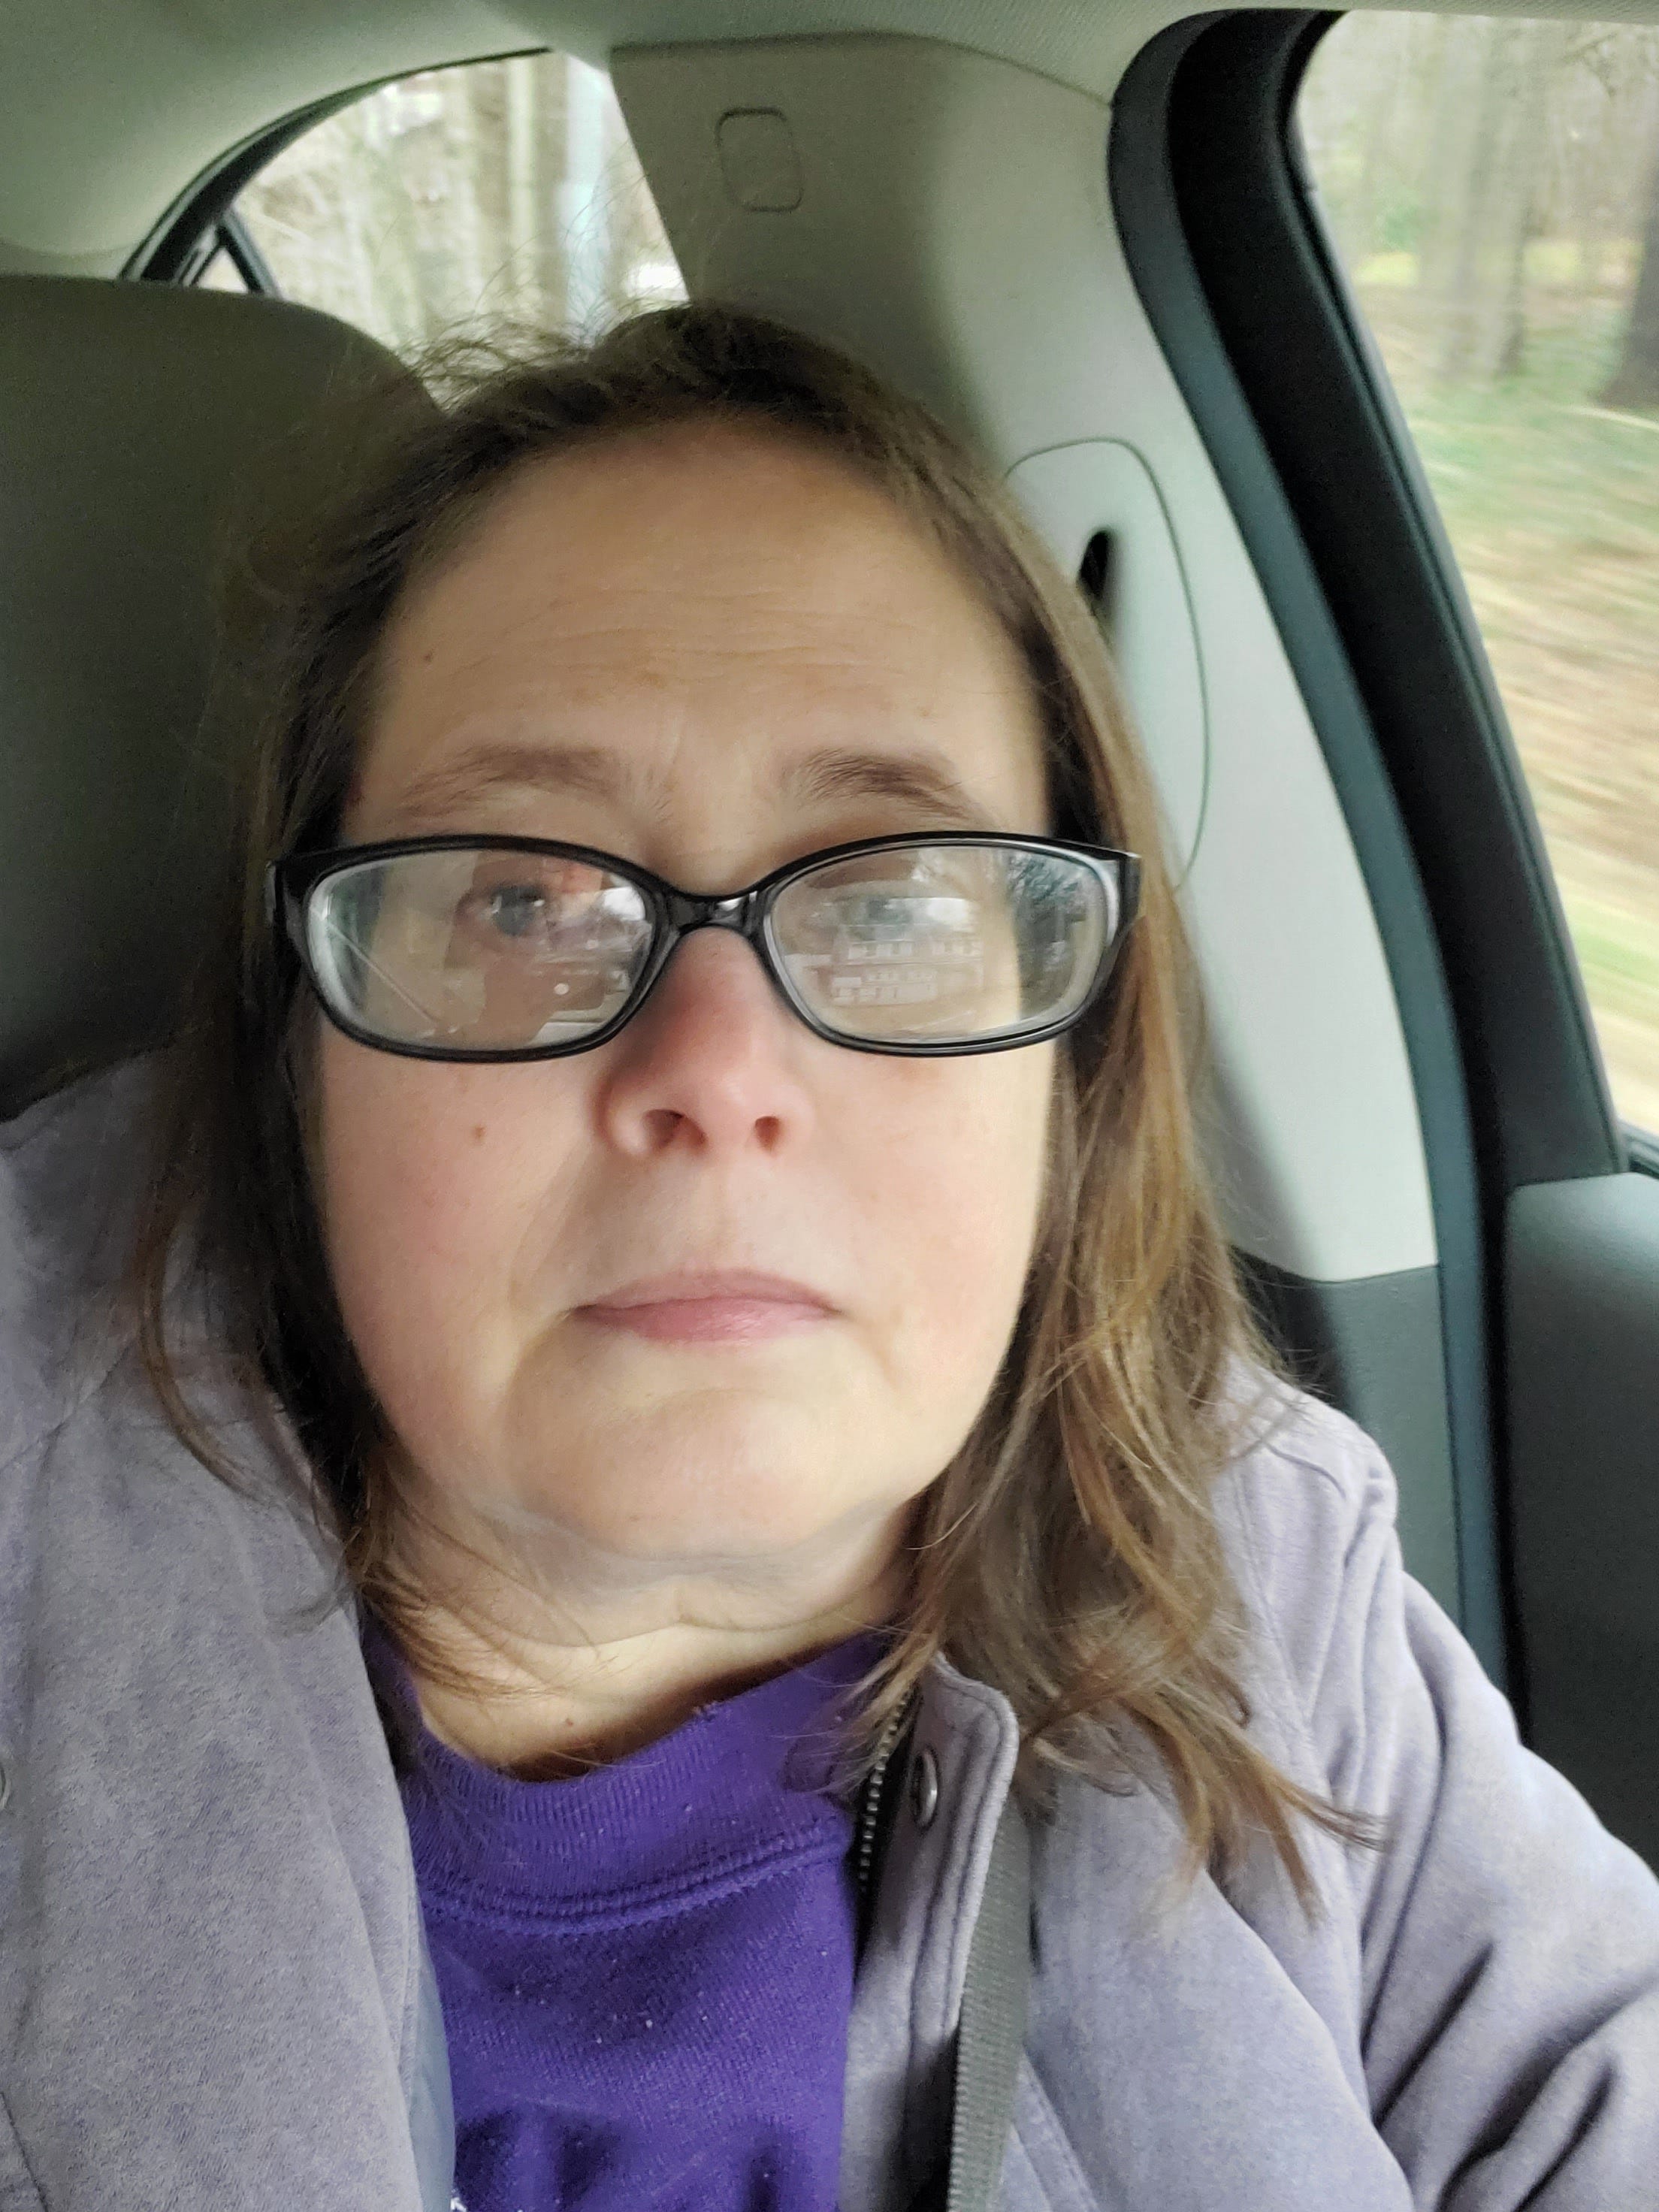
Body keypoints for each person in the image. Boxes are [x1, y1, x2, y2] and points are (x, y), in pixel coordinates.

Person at [2, 303, 1656, 2212]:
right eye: (525, 895)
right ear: (303, 1038)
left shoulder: (1255, 1567)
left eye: (893, 903)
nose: (717, 1072)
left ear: (1071, 1054)